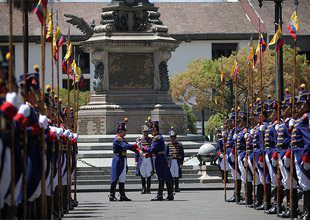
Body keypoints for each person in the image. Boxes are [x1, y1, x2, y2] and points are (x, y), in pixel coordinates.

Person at [109, 119, 143, 202]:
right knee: (115, 177)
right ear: (120, 131)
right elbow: (126, 146)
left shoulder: (122, 139)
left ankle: (122, 195)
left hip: (123, 159)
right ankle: (111, 195)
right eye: (124, 131)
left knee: (122, 177)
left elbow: (128, 146)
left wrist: (139, 151)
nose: (125, 132)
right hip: (118, 159)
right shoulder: (118, 139)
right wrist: (136, 145)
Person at [144, 121, 174, 201]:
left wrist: (144, 148)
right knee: (166, 176)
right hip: (161, 158)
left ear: (155, 130)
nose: (151, 132)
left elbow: (152, 149)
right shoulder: (159, 137)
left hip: (159, 159)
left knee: (161, 177)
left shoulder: (157, 138)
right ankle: (170, 194)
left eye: (152, 130)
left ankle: (160, 195)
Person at [135, 121, 153, 194]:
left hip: (148, 158)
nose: (145, 133)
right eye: (144, 131)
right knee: (142, 173)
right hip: (142, 158)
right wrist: (136, 160)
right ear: (142, 132)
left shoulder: (151, 140)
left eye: (146, 131)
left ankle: (148, 189)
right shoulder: (140, 140)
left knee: (149, 173)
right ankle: (143, 188)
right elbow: (136, 150)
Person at [166, 126, 184, 192]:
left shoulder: (179, 144)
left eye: (173, 136)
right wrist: (167, 161)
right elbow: (166, 154)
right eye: (171, 137)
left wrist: (181, 162)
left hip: (177, 160)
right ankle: (171, 187)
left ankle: (176, 187)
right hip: (170, 160)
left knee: (176, 174)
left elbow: (182, 154)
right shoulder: (168, 144)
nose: (172, 138)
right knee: (171, 174)